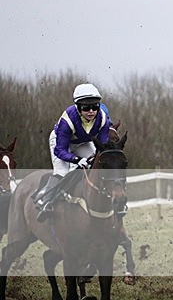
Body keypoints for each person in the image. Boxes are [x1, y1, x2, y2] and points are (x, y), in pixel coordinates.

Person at [34, 83, 113, 221]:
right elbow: (60, 150)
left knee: (95, 166)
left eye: (94, 107)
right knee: (62, 172)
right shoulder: (67, 120)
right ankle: (45, 199)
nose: (91, 111)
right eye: (86, 108)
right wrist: (76, 160)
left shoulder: (103, 119)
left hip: (83, 142)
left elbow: (102, 147)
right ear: (77, 107)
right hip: (61, 143)